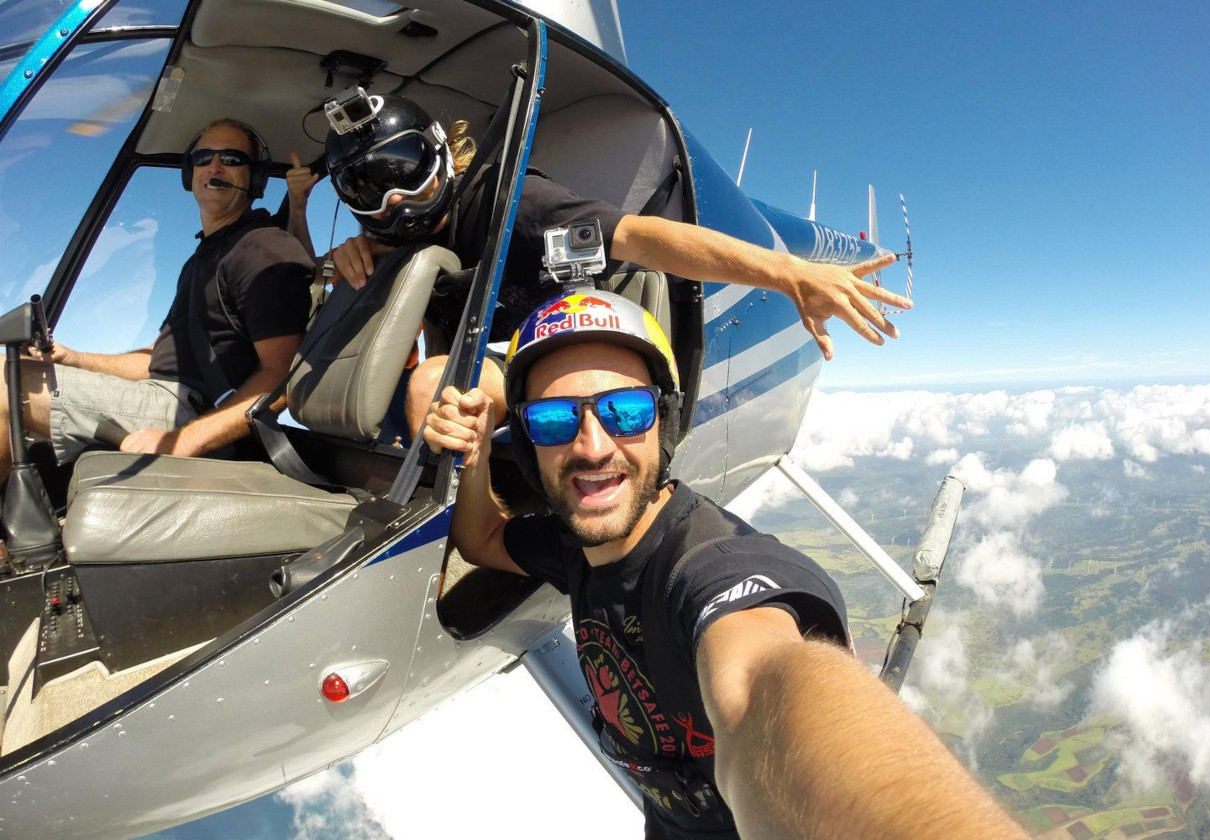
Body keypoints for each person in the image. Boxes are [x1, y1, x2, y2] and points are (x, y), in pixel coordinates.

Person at [421, 290, 1033, 840]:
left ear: (664, 422)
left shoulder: (707, 567)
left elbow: (763, 689)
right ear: (528, 443)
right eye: (553, 420)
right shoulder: (576, 544)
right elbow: (482, 540)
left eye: (626, 411)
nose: (592, 445)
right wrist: (474, 456)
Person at [286, 94, 907, 443]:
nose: (394, 199)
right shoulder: (393, 245)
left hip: (571, 341)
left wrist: (789, 274)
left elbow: (642, 238)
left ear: (443, 156)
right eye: (366, 186)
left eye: (406, 168)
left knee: (431, 387)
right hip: (506, 359)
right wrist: (347, 255)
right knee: (420, 395)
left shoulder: (513, 206)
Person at [0, 118, 314, 482]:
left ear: (255, 178)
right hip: (162, 397)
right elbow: (157, 362)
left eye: (231, 158)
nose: (214, 167)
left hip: (194, 416)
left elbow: (285, 376)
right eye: (204, 158)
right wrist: (75, 359)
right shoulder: (203, 259)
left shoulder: (261, 248)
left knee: (5, 382)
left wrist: (182, 441)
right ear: (190, 174)